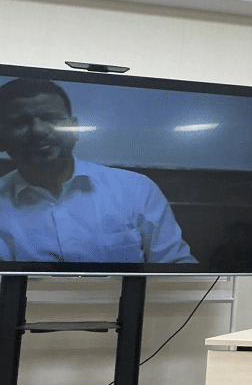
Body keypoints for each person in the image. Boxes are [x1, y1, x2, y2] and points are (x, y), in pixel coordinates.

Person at [0, 78, 196, 263]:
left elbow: (177, 266)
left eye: (51, 118)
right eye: (20, 122)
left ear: (75, 129)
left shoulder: (136, 189)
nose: (38, 130)